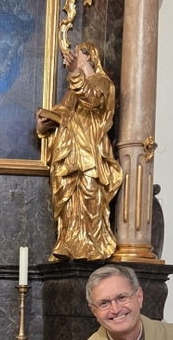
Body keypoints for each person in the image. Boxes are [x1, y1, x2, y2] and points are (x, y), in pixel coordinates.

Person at [37, 43, 123, 261]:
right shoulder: (71, 92)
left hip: (90, 154)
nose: (73, 56)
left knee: (90, 196)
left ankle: (92, 246)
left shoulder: (102, 82)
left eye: (78, 53)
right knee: (69, 202)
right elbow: (62, 113)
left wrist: (75, 73)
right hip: (69, 155)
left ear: (90, 57)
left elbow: (92, 99)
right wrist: (43, 124)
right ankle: (69, 243)